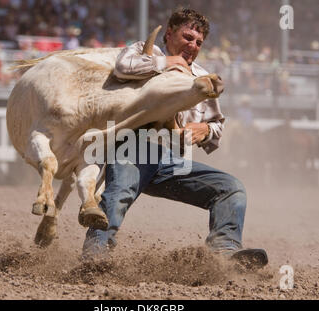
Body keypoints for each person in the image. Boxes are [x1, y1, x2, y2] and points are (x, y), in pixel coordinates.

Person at [82, 9, 268, 269]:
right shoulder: (147, 53)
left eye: (199, 42)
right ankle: (95, 256)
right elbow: (122, 67)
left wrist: (205, 129)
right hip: (133, 145)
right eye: (187, 37)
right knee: (118, 194)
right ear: (169, 34)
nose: (193, 46)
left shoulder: (202, 79)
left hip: (172, 159)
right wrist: (166, 63)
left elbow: (217, 126)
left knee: (231, 188)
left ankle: (224, 253)